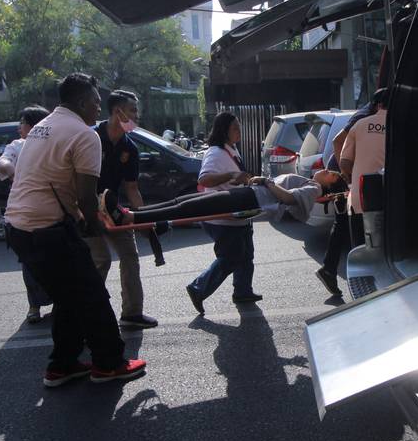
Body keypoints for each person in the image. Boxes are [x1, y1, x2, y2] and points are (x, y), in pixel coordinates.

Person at [4, 73, 146, 387]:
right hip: (49, 229)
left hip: (18, 229)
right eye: (96, 102)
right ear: (82, 102)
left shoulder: (41, 128)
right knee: (93, 296)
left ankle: (63, 365)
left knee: (69, 298)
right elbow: (85, 197)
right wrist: (99, 228)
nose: (99, 109)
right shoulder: (84, 135)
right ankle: (109, 364)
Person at [84, 90, 158, 330]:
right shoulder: (90, 138)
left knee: (130, 255)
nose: (137, 115)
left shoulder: (130, 148)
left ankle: (132, 313)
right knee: (101, 260)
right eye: (133, 110)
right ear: (118, 111)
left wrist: (144, 219)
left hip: (112, 207)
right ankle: (87, 314)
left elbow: (133, 189)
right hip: (84, 205)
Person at [316, 87, 390, 296]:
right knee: (351, 224)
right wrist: (345, 176)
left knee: (346, 221)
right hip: (345, 170)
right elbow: (337, 141)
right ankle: (336, 272)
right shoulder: (364, 117)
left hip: (355, 174)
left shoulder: (364, 120)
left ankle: (329, 269)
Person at [185, 112, 258, 315]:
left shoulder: (231, 150)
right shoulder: (215, 152)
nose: (239, 131)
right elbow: (205, 179)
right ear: (224, 130)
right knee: (231, 256)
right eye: (235, 127)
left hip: (239, 215)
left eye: (239, 127)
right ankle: (198, 288)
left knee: (246, 255)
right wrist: (232, 175)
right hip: (223, 218)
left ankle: (243, 291)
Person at [103, 170, 344, 227]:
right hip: (247, 195)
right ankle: (127, 213)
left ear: (331, 182)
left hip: (250, 202)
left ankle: (129, 217)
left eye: (331, 173)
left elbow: (290, 199)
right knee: (182, 201)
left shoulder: (314, 189)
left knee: (189, 208)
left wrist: (267, 182)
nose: (326, 170)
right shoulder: (310, 181)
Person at [0, 105, 52, 324]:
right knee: (30, 262)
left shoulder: (52, 145)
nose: (19, 128)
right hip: (25, 215)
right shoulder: (18, 146)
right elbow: (2, 162)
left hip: (51, 211)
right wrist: (11, 170)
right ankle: (34, 306)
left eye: (23, 123)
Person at [340, 94, 388, 247]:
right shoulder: (401, 125)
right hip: (392, 199)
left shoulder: (359, 125)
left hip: (361, 199)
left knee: (361, 248)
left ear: (378, 105)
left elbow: (345, 162)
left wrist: (350, 180)